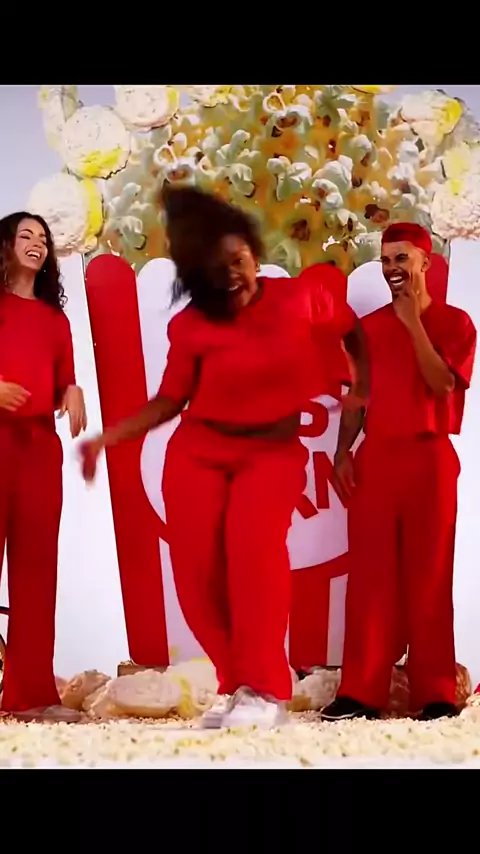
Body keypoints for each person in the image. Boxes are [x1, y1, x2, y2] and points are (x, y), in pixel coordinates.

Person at [80, 186, 369, 729]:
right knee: (196, 577)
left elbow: (351, 330)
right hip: (199, 452)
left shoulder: (299, 299)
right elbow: (171, 400)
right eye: (217, 269)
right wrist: (108, 437)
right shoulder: (192, 325)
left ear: (255, 254)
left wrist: (361, 386)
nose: (232, 275)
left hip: (270, 454)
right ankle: (237, 685)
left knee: (254, 558)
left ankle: (268, 690)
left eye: (238, 260)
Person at [321, 222, 477, 722]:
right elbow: (357, 397)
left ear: (426, 262)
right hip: (378, 459)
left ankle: (434, 692)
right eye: (386, 260)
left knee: (430, 577)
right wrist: (342, 450)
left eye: (402, 258)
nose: (392, 268)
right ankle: (360, 692)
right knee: (370, 579)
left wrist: (412, 322)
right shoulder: (367, 329)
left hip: (430, 461)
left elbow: (441, 385)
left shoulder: (456, 324)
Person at [0, 211, 87, 721]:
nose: (36, 243)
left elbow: (63, 380)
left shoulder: (56, 320)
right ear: (5, 245)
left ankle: (30, 695)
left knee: (36, 573)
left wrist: (72, 390)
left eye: (43, 238)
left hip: (38, 448)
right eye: (25, 235)